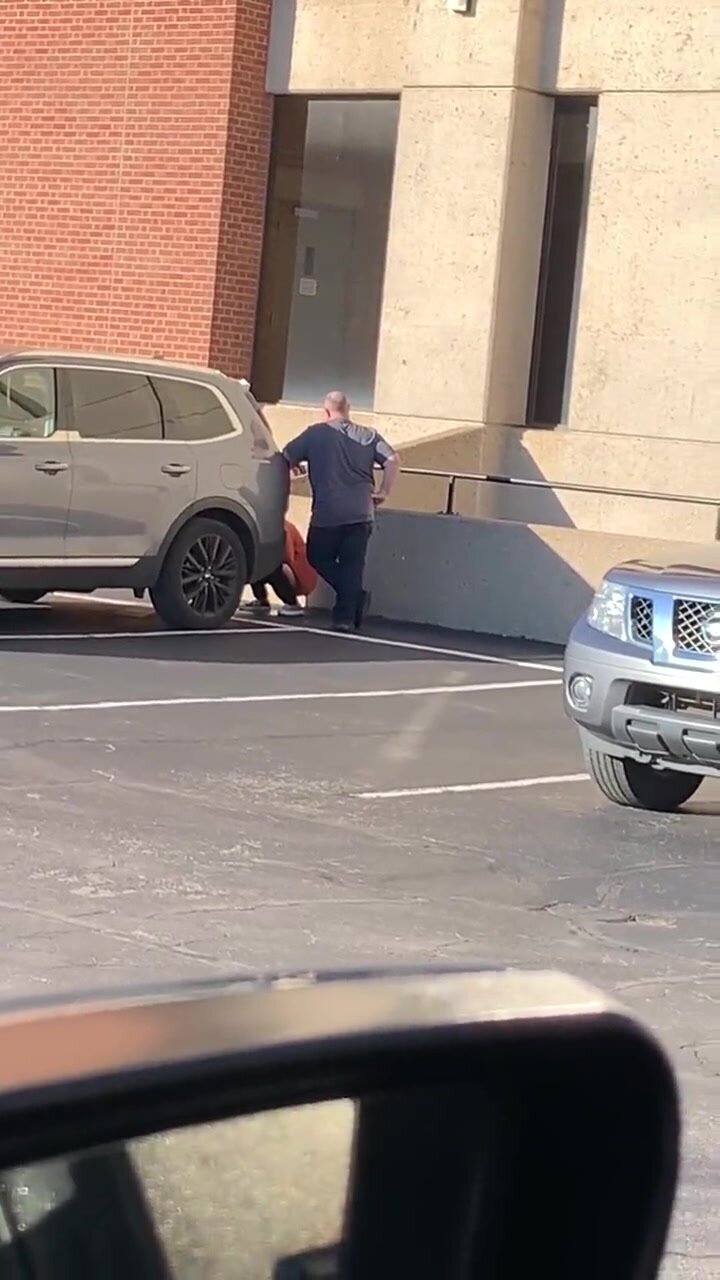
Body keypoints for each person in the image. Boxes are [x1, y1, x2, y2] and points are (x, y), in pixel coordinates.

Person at [283, 391, 400, 632]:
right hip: (361, 510)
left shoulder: (315, 434)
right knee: (352, 564)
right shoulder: (368, 435)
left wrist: (293, 471)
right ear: (349, 409)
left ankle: (353, 598)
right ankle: (345, 617)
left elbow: (285, 456)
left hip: (328, 513)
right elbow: (392, 459)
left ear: (326, 411)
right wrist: (384, 491)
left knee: (316, 555)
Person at [245, 520, 317, 617]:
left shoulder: (282, 528)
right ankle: (261, 599)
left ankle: (292, 604)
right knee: (256, 562)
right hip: (290, 570)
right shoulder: (268, 529)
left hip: (301, 575)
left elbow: (287, 557)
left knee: (273, 568)